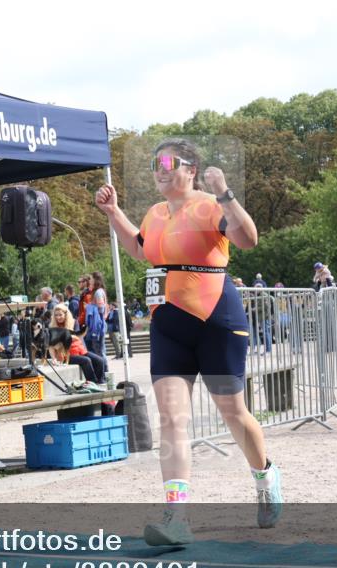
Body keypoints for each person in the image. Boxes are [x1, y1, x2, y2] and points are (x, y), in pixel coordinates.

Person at [95, 138, 282, 545]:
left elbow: (248, 239)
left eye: (167, 162)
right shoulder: (156, 212)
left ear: (191, 169)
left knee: (233, 413)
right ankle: (176, 515)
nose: (159, 169)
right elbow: (142, 249)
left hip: (216, 320)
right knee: (173, 419)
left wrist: (226, 194)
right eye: (154, 163)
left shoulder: (209, 205)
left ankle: (265, 477)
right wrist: (113, 213)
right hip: (168, 326)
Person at [50, 304, 106, 384]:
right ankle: (92, 382)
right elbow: (53, 345)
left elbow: (77, 337)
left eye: (60, 315)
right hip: (65, 355)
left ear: (66, 314)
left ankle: (100, 382)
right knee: (86, 361)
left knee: (100, 361)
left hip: (80, 351)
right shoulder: (52, 327)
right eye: (56, 315)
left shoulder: (74, 322)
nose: (58, 317)